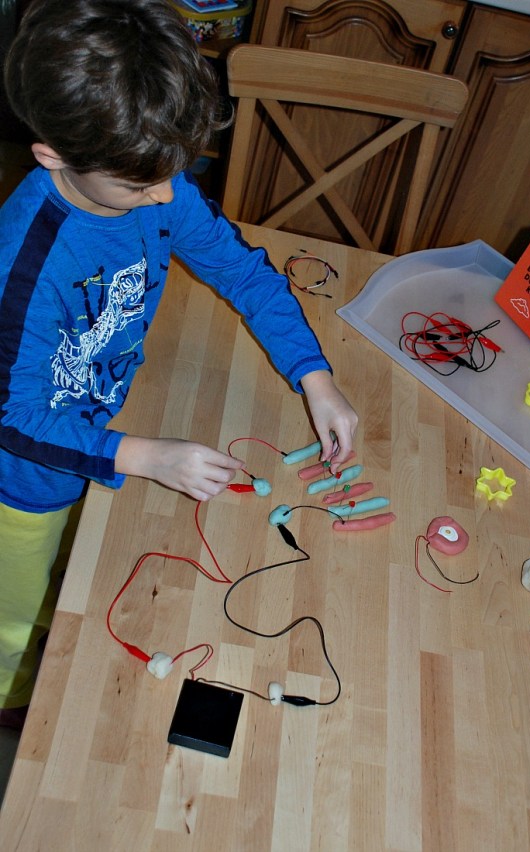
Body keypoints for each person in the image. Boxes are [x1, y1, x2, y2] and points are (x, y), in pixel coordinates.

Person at [0, 0, 358, 728]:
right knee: (14, 608)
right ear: (53, 156)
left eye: (172, 174)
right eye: (140, 187)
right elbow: (13, 420)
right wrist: (141, 455)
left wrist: (314, 376)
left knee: (72, 568)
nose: (165, 198)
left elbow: (246, 274)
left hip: (95, 434)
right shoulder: (21, 267)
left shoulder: (155, 176)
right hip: (23, 483)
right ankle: (12, 695)